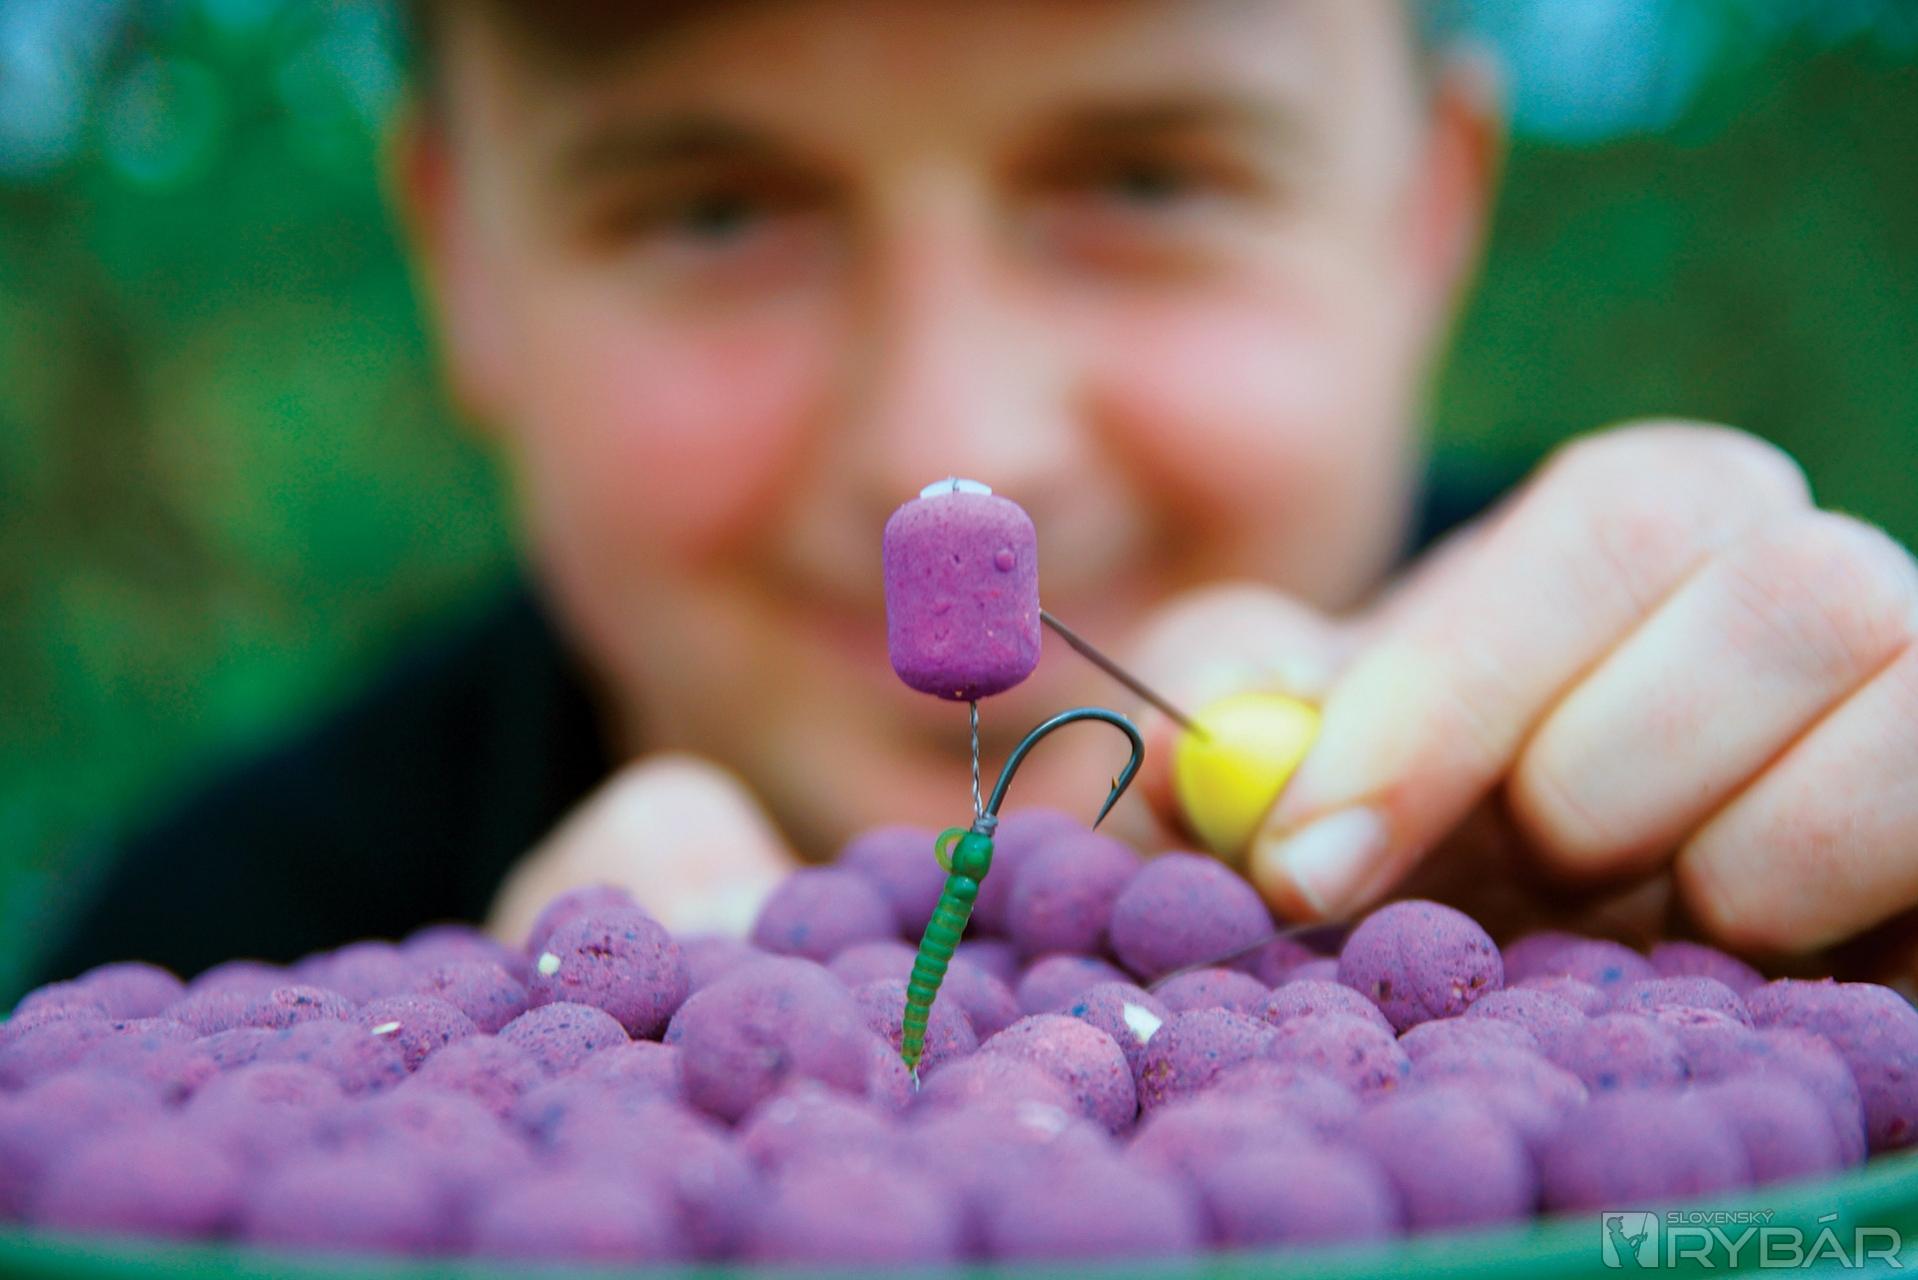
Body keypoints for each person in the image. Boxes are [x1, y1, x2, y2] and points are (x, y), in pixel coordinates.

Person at [34, 0, 1918, 985]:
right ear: (460, 261)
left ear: (1428, 214)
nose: (949, 440)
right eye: (711, 210)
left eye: (1149, 179)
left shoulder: (1725, 823)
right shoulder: (216, 954)